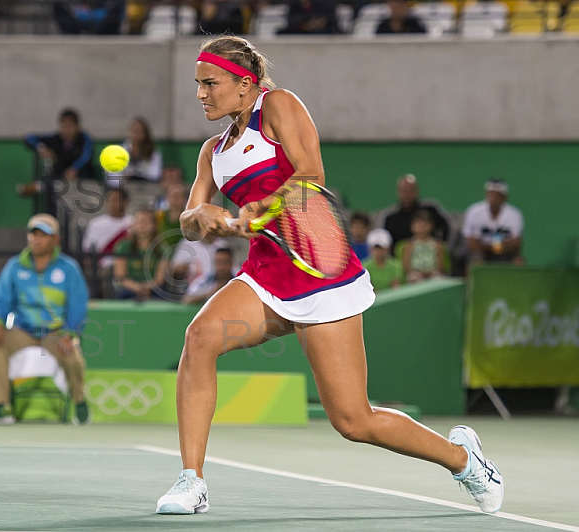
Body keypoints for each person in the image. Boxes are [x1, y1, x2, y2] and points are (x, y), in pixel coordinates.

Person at [155, 35, 502, 516]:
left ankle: (465, 461)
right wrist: (202, 218)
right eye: (197, 85)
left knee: (353, 420)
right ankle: (191, 480)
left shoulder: (277, 106)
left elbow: (311, 173)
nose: (201, 94)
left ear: (244, 84)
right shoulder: (212, 151)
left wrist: (262, 205)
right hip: (265, 273)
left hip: (320, 268)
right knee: (199, 339)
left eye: (210, 83)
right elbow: (189, 218)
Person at [0, 213, 91, 425]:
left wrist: (70, 333)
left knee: (73, 354)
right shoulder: (15, 266)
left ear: (56, 239)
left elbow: (78, 305)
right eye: (34, 234)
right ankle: (0, 406)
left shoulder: (69, 269)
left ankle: (79, 402)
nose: (37, 239)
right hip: (22, 330)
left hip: (55, 333)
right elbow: (0, 300)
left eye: (43, 235)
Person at [376, 173, 450, 254]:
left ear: (416, 191)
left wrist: (443, 248)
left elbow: (448, 227)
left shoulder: (431, 209)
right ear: (398, 191)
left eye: (410, 190)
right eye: (403, 190)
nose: (407, 194)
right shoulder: (389, 217)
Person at [22, 108, 95, 187]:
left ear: (77, 126)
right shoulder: (55, 139)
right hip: (59, 180)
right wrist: (42, 148)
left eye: (70, 126)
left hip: (82, 179)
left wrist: (74, 169)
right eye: (64, 126)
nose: (66, 129)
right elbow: (29, 138)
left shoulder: (85, 139)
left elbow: (87, 156)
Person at [462, 178, 524, 266]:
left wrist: (494, 248)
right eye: (490, 194)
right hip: (481, 254)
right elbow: (471, 244)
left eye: (497, 195)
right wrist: (495, 248)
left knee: (518, 262)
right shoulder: (474, 212)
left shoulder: (514, 214)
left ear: (504, 197)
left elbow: (516, 244)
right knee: (475, 262)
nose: (493, 199)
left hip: (505, 255)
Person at [112, 206, 168, 300]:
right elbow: (120, 277)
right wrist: (137, 287)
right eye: (138, 221)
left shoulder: (162, 249)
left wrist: (146, 288)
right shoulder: (123, 247)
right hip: (128, 289)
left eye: (146, 222)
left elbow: (159, 279)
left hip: (154, 290)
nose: (142, 225)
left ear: (154, 225)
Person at [105, 117, 163, 186]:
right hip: (123, 188)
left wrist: (138, 175)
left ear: (145, 134)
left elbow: (156, 174)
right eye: (134, 130)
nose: (137, 134)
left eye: (140, 131)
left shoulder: (153, 153)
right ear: (129, 132)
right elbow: (111, 178)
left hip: (145, 186)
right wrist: (125, 177)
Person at [81, 187, 132, 262]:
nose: (112, 203)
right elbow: (87, 250)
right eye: (109, 200)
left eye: (115, 200)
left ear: (125, 202)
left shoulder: (133, 223)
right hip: (101, 267)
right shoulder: (95, 223)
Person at [402, 209, 446, 283]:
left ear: (431, 226)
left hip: (432, 273)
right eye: (418, 224)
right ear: (412, 226)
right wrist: (418, 272)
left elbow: (441, 264)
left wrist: (430, 272)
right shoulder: (409, 244)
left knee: (437, 278)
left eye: (425, 224)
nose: (422, 227)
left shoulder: (437, 244)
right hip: (415, 273)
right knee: (414, 279)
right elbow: (405, 264)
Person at [155, 183, 187, 252]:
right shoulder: (159, 216)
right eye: (172, 195)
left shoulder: (189, 217)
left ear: (184, 198)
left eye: (178, 195)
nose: (175, 199)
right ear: (167, 198)